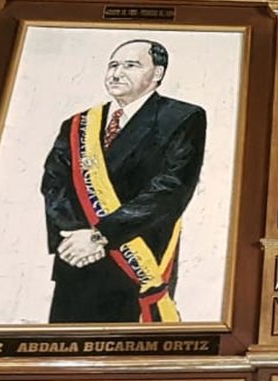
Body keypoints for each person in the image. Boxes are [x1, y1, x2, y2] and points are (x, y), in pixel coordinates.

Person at [40, 39, 206, 323]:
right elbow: (54, 183)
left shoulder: (182, 117)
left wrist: (100, 235)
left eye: (131, 65)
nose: (116, 73)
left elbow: (170, 189)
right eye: (113, 65)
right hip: (76, 258)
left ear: (157, 74)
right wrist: (74, 235)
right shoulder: (78, 124)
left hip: (134, 259)